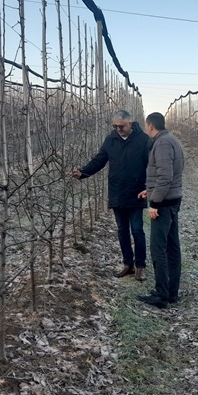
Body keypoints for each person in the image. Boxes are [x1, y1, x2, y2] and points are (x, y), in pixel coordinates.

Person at [71, 110, 149, 280]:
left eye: (121, 126)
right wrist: (83, 172)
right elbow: (99, 160)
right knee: (122, 230)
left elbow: (151, 164)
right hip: (117, 192)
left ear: (130, 124)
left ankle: (140, 266)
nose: (118, 129)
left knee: (137, 230)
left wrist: (150, 187)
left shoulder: (143, 140)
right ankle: (128, 264)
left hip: (137, 192)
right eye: (115, 126)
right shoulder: (110, 139)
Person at [137, 112, 185, 309]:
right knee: (172, 248)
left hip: (164, 204)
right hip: (172, 200)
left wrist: (154, 203)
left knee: (159, 249)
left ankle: (161, 294)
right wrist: (149, 191)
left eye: (146, 126)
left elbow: (165, 176)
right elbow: (166, 176)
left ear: (150, 126)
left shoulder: (162, 144)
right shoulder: (171, 140)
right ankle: (171, 293)